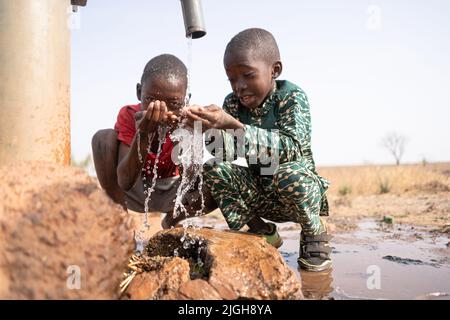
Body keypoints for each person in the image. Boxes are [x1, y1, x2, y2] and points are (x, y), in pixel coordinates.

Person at [185, 28, 332, 272]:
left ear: (274, 70)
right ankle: (262, 231)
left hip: (295, 193)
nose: (239, 86)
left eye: (247, 75)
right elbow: (227, 153)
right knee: (214, 167)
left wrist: (235, 125)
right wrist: (207, 129)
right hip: (260, 194)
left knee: (290, 174)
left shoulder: (291, 97)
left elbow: (292, 149)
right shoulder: (232, 103)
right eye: (232, 79)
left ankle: (313, 232)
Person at [92, 54, 217, 229]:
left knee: (219, 179)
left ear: (185, 100)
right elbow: (125, 181)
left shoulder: (189, 121)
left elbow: (191, 183)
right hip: (136, 191)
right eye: (151, 100)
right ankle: (120, 220)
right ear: (138, 92)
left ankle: (172, 220)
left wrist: (190, 137)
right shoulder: (129, 115)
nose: (162, 111)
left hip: (175, 195)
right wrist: (143, 134)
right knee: (102, 139)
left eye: (174, 103)